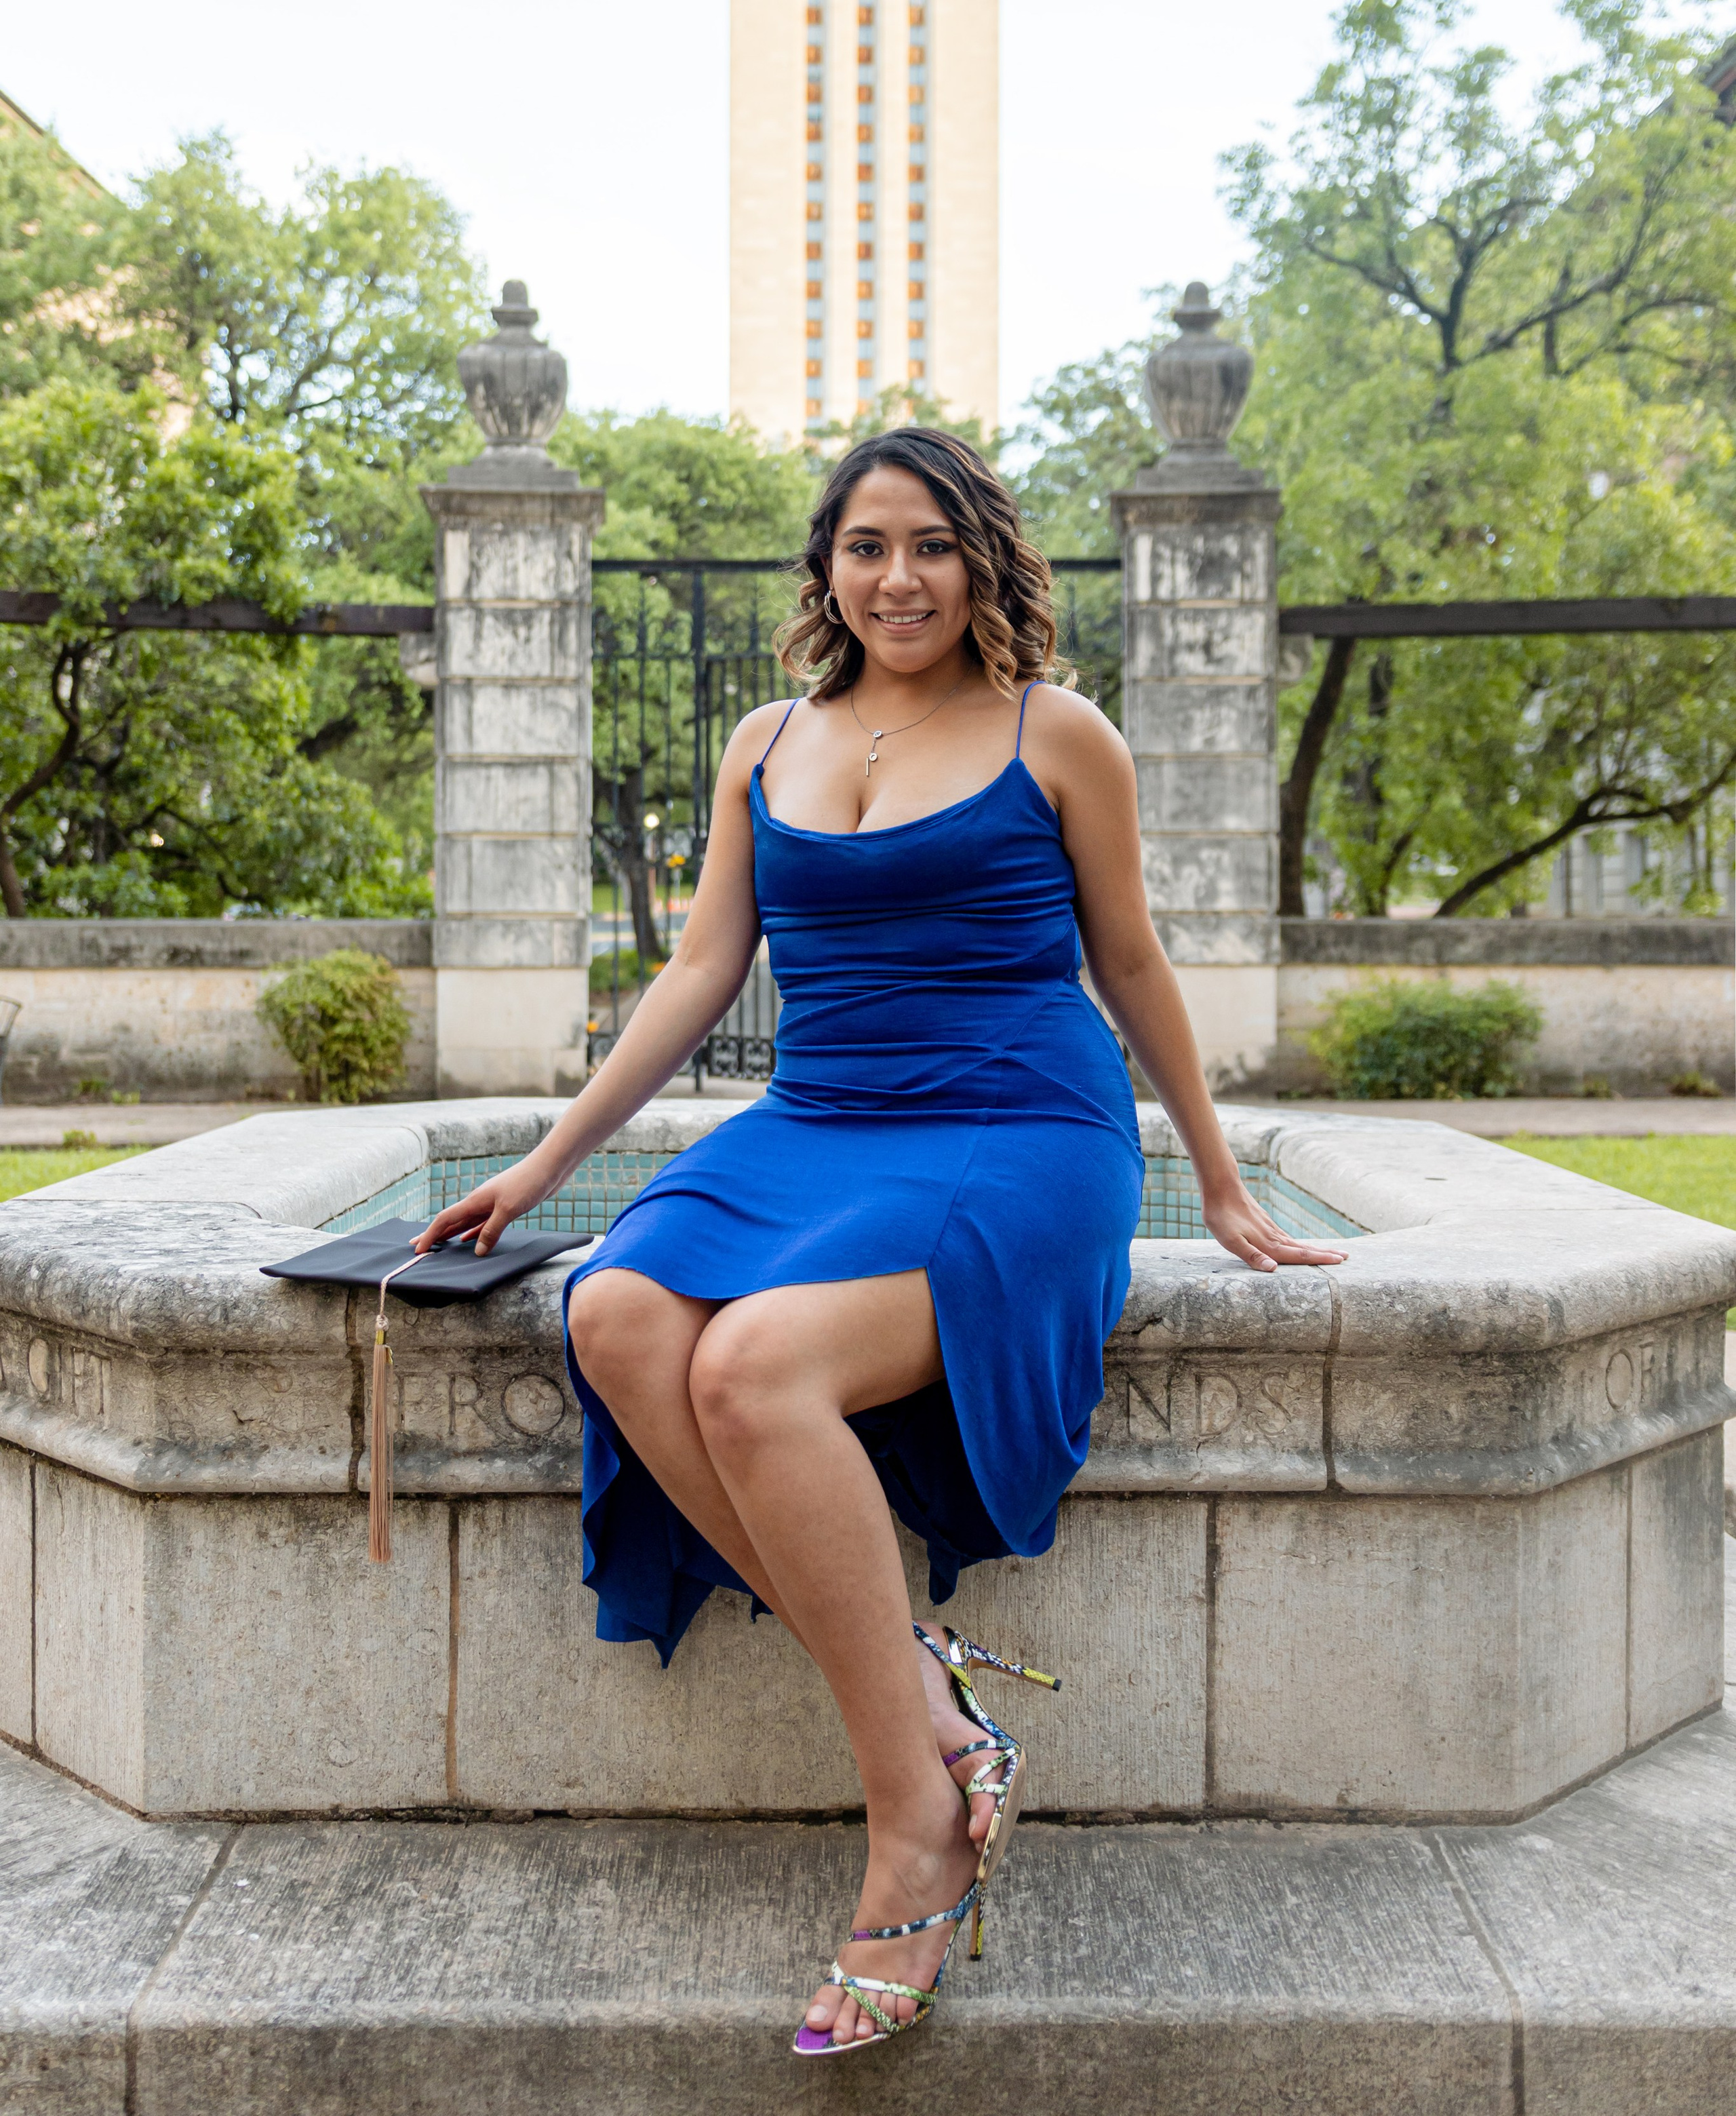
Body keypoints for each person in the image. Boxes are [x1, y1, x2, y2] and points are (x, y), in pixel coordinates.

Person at [415, 426, 1348, 2056]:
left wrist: (1208, 1174)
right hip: (822, 1114)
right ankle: (929, 1683)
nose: (897, 576)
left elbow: (1129, 966)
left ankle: (908, 1814)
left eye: (929, 544)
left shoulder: (1057, 735)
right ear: (826, 569)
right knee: (619, 1312)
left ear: (981, 558)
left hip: (1014, 1124)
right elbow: (700, 973)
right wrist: (546, 1154)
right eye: (866, 546)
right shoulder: (763, 738)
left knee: (760, 1365)